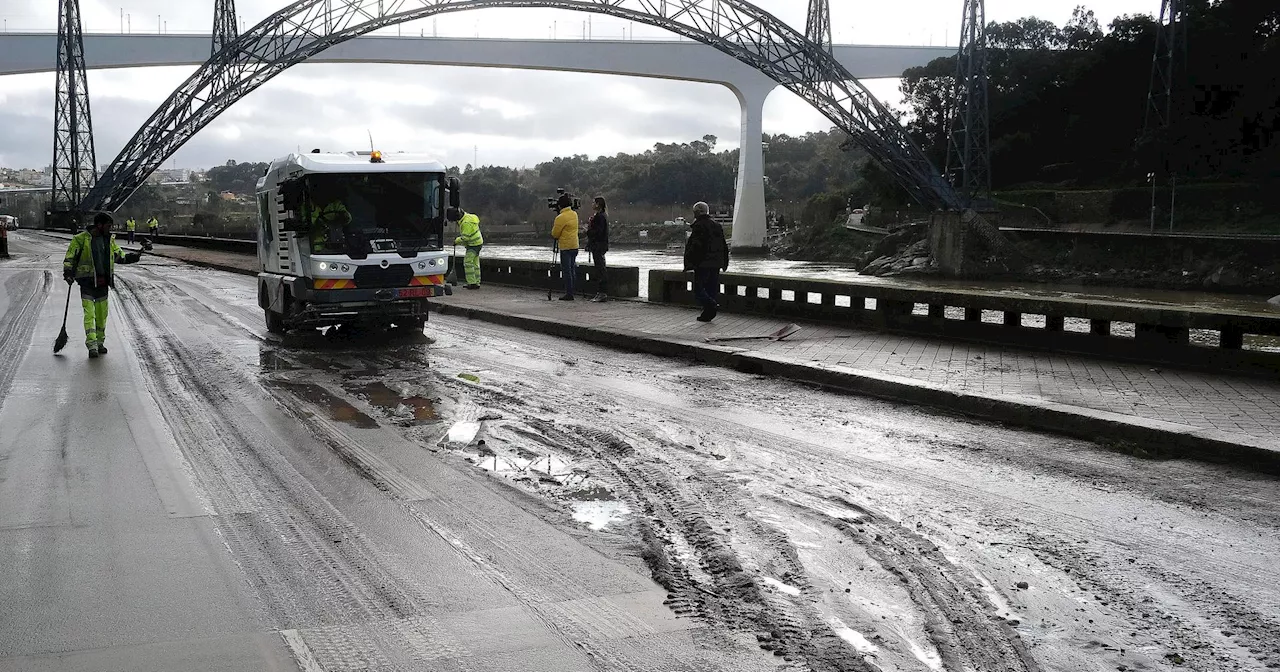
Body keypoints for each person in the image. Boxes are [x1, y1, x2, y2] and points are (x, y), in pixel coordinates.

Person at [63, 213, 142, 358]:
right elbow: (69, 258)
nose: (110, 229)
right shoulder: (80, 239)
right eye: (108, 226)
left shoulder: (108, 240)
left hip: (103, 283)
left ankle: (100, 343)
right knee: (89, 314)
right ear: (99, 225)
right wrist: (68, 273)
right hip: (86, 282)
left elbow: (119, 256)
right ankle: (92, 345)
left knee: (101, 315)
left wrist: (135, 256)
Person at [682, 201, 729, 322]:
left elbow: (695, 246)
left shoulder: (699, 226)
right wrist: (725, 263)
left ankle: (711, 305)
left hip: (703, 264)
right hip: (716, 263)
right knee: (711, 289)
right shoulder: (717, 225)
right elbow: (723, 245)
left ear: (696, 213)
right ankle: (707, 314)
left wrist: (688, 263)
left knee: (699, 291)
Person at [550, 193, 580, 301]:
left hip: (565, 247)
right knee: (572, 269)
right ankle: (572, 290)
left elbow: (555, 234)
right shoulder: (574, 214)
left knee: (566, 271)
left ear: (560, 205)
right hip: (575, 245)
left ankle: (569, 293)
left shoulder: (560, 217)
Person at [450, 207, 484, 289]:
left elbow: (465, 237)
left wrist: (456, 241)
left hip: (473, 245)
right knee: (475, 263)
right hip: (478, 243)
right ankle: (477, 282)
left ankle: (472, 283)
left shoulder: (466, 223)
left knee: (468, 262)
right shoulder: (469, 217)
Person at [585, 196, 610, 302]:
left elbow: (598, 232)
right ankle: (601, 293)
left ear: (598, 204)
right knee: (600, 268)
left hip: (598, 245)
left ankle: (602, 293)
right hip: (601, 245)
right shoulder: (603, 216)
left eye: (593, 202)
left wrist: (588, 230)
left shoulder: (600, 216)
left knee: (600, 269)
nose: (592, 204)